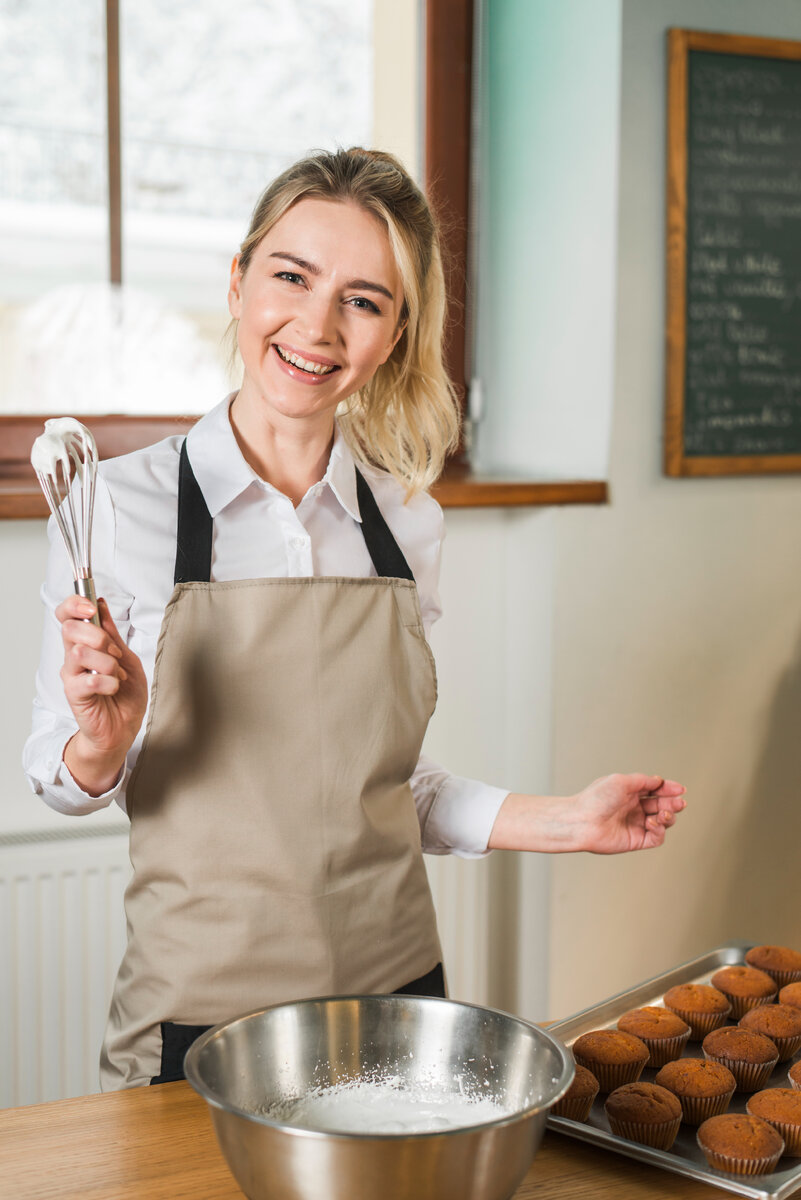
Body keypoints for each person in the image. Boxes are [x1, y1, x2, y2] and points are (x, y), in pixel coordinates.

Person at [24, 147, 686, 1091]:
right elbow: (58, 771)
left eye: (363, 299)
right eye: (291, 276)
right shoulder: (115, 511)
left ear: (395, 334)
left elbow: (389, 788)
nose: (317, 324)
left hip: (397, 1001)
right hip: (198, 1019)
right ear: (238, 281)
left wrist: (567, 821)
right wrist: (104, 741)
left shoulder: (406, 522)